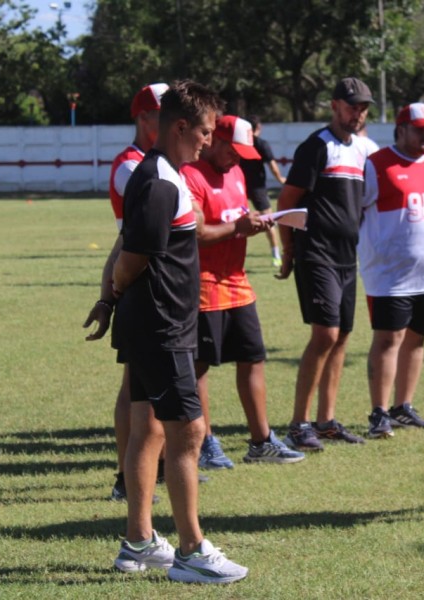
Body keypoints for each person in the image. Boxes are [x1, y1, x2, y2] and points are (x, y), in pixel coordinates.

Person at [110, 80, 247, 583]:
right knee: (189, 430)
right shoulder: (161, 181)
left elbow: (127, 245)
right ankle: (191, 550)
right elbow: (131, 256)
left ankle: (139, 542)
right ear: (181, 127)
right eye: (205, 132)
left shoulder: (165, 174)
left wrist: (109, 303)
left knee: (148, 430)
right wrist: (113, 295)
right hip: (162, 328)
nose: (210, 141)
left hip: (160, 324)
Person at [181, 115, 305, 467]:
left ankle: (261, 441)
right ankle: (204, 443)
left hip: (237, 283)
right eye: (233, 150)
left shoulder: (236, 173)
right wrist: (237, 226)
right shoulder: (190, 175)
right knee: (200, 367)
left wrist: (252, 222)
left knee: (253, 358)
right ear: (212, 140)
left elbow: (235, 215)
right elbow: (196, 232)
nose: (238, 158)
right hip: (203, 286)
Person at [276, 77, 374, 451]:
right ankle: (299, 424)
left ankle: (326, 420)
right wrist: (288, 253)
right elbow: (288, 202)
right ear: (334, 106)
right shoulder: (316, 147)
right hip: (316, 254)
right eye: (352, 107)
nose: (358, 114)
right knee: (326, 335)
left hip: (347, 257)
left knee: (343, 336)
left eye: (363, 107)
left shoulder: (362, 149)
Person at [83, 83, 169, 503]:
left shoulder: (160, 160)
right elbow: (131, 239)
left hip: (157, 271)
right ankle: (125, 474)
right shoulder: (132, 166)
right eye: (162, 113)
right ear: (143, 118)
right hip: (140, 272)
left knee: (147, 383)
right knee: (135, 383)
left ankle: (153, 466)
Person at [358, 103, 424, 439]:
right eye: (420, 128)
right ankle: (379, 413)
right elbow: (358, 211)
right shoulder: (377, 164)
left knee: (417, 339)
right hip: (389, 274)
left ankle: (403, 407)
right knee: (388, 339)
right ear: (401, 129)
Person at [242, 115, 286, 267]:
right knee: (268, 221)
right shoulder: (262, 144)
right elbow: (272, 166)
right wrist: (280, 179)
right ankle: (276, 255)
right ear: (258, 128)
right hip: (258, 188)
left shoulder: (241, 144)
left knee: (235, 221)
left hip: (240, 186)